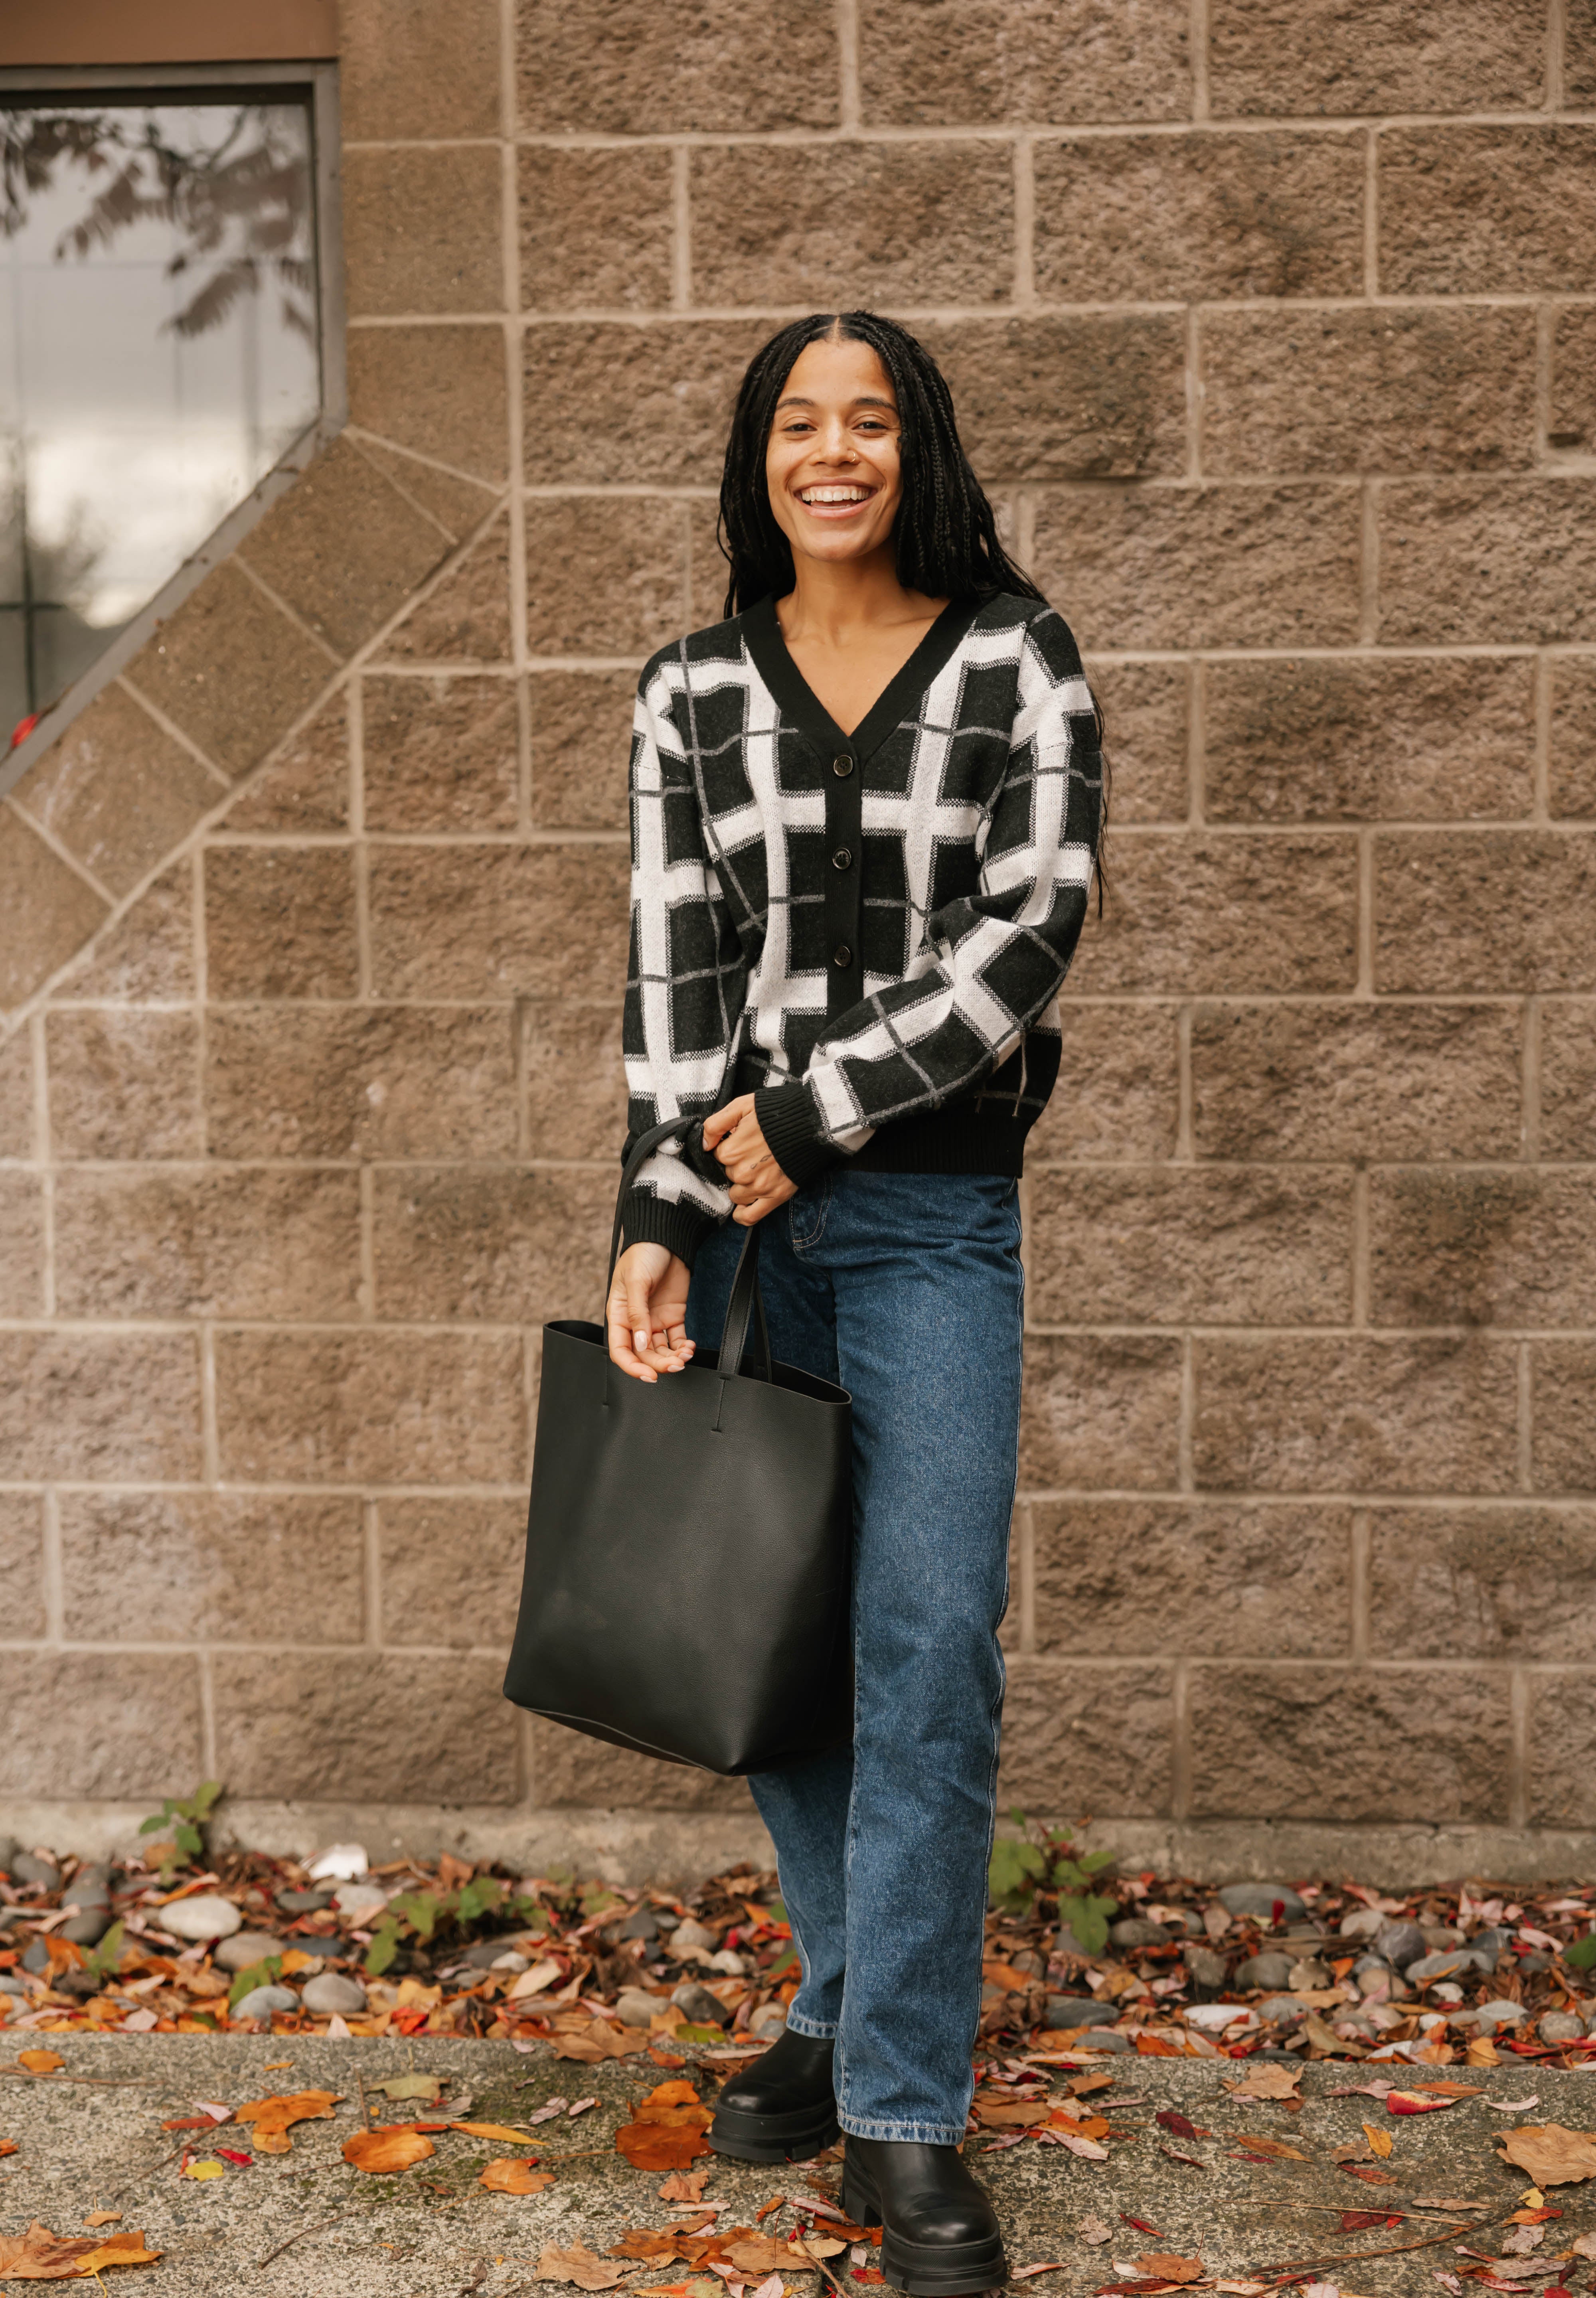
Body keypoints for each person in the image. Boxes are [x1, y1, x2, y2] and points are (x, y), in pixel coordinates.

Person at [604, 311, 1107, 2297]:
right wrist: (657, 1207)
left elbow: (1028, 928)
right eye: (800, 424)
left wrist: (809, 1117)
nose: (835, 453)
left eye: (868, 420)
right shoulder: (689, 692)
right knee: (776, 1657)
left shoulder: (1012, 654)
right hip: (734, 1234)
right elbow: (672, 972)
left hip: (928, 1226)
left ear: (918, 449)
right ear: (760, 458)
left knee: (925, 1656)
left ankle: (899, 2115)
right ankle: (835, 2005)